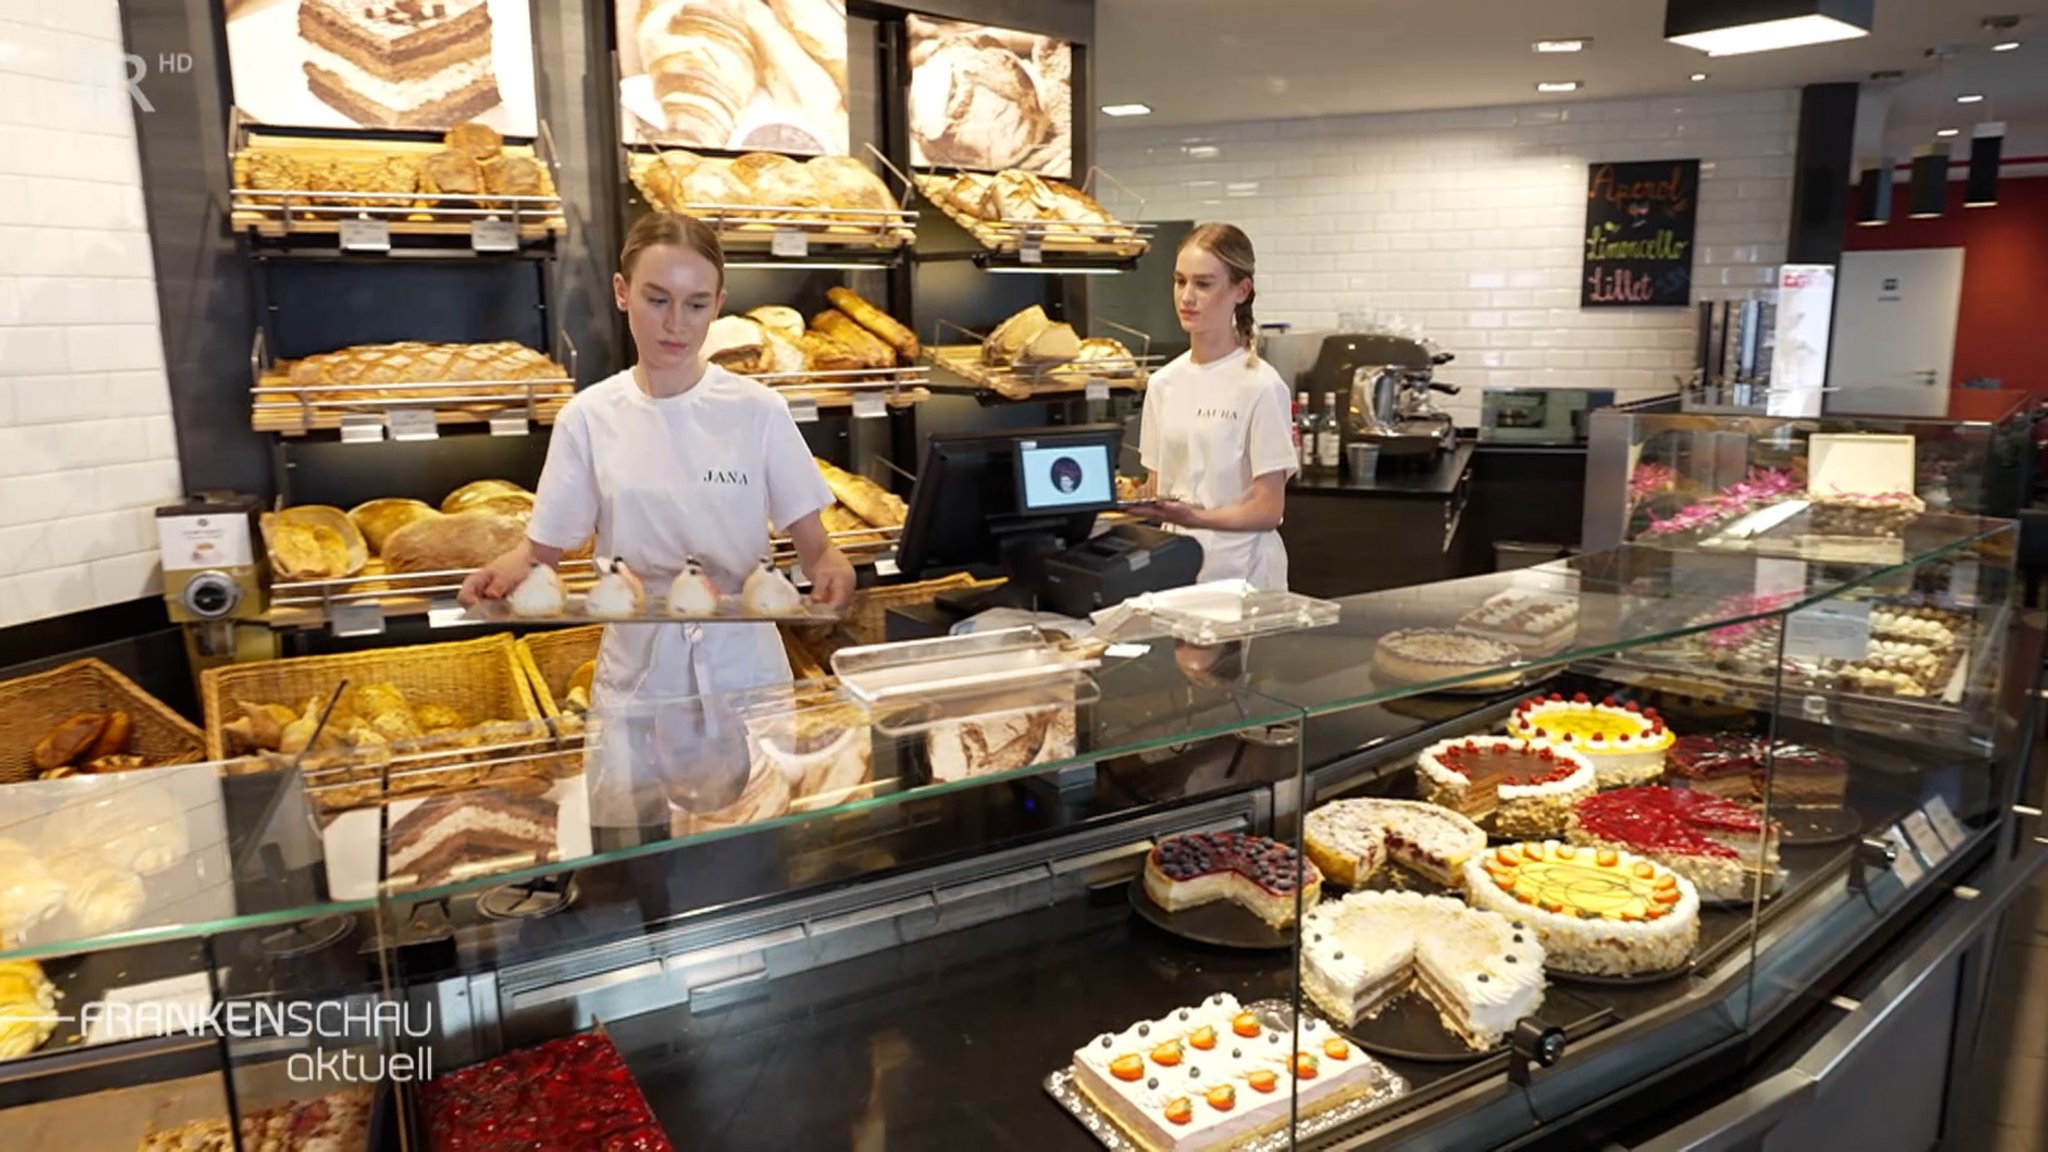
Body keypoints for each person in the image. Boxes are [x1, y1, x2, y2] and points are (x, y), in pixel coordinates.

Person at [460, 212, 855, 825]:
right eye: (657, 299)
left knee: (758, 853)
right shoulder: (589, 418)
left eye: (697, 304)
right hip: (642, 677)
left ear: (719, 304)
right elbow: (542, 550)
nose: (676, 324)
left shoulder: (758, 411)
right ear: (622, 293)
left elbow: (815, 548)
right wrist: (503, 574)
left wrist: (831, 569)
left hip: (744, 673)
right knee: (637, 867)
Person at [1132, 223, 1296, 590]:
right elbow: (1156, 488)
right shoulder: (1162, 384)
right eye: (1180, 281)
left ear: (1242, 290)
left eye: (1203, 284)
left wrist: (1196, 518)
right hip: (1175, 570)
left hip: (1244, 576)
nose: (1186, 297)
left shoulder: (1262, 386)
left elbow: (1269, 510)